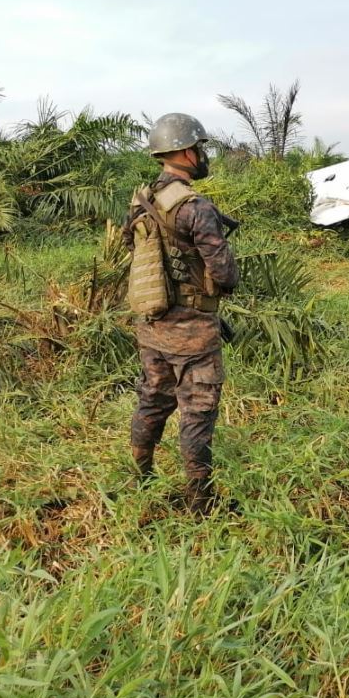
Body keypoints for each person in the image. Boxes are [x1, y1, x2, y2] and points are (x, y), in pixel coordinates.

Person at [123, 113, 239, 515]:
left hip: (151, 323)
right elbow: (225, 274)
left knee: (153, 398)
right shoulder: (195, 207)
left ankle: (140, 476)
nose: (203, 155)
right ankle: (200, 500)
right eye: (200, 148)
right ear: (186, 151)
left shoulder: (142, 199)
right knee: (198, 407)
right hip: (191, 331)